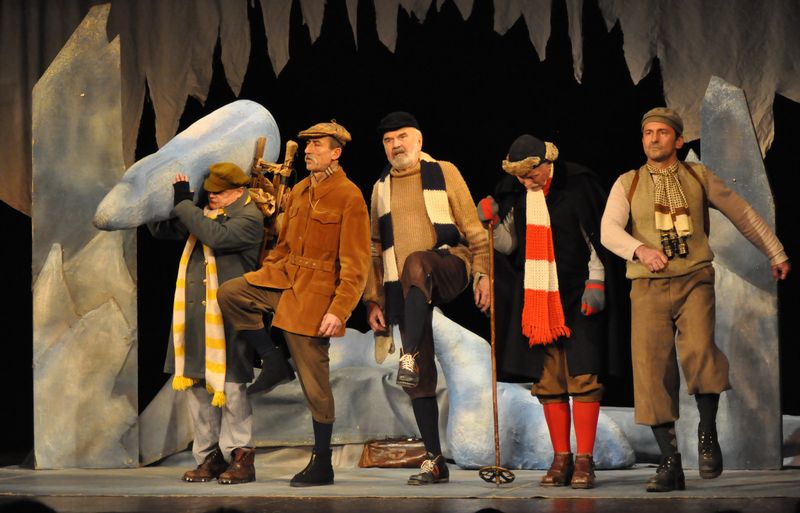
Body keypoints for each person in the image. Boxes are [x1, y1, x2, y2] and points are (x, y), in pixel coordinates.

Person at [600, 107, 791, 492]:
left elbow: (742, 212)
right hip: (648, 287)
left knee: (701, 351)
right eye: (648, 133)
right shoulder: (628, 182)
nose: (654, 139)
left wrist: (776, 251)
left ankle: (707, 433)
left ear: (679, 140)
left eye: (662, 132)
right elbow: (608, 230)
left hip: (694, 279)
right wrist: (640, 250)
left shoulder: (697, 176)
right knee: (651, 370)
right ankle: (670, 462)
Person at [217, 120, 371, 487]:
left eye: (317, 145)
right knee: (231, 293)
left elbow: (356, 264)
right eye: (308, 145)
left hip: (316, 293)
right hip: (284, 278)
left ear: (336, 153)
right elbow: (284, 245)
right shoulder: (301, 190)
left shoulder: (349, 196)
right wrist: (269, 269)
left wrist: (339, 310)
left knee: (314, 382)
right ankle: (272, 360)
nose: (308, 150)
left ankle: (322, 463)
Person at [476, 134, 617, 489]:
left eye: (531, 174)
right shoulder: (518, 194)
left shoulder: (577, 186)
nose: (527, 182)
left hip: (577, 291)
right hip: (539, 297)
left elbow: (596, 238)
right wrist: (491, 223)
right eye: (521, 177)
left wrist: (597, 281)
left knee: (583, 375)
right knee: (549, 380)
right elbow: (508, 245)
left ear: (546, 162)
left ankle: (585, 460)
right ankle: (561, 458)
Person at [363, 111, 490, 485]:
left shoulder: (444, 171)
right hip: (402, 288)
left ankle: (408, 354)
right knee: (418, 379)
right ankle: (434, 462)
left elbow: (474, 230)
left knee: (417, 262)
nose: (395, 145)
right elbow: (373, 249)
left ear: (419, 140)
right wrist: (373, 299)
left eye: (402, 137)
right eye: (388, 140)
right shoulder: (379, 188)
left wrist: (483, 274)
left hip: (448, 263)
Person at [147, 163, 264, 484]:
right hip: (197, 318)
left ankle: (241, 455)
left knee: (232, 388)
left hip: (229, 319)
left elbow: (215, 236)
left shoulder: (250, 218)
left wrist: (184, 203)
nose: (211, 197)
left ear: (239, 191)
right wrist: (154, 201)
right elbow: (162, 230)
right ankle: (208, 457)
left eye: (219, 193)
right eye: (209, 192)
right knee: (197, 387)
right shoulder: (206, 214)